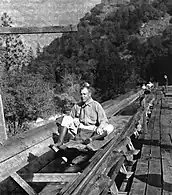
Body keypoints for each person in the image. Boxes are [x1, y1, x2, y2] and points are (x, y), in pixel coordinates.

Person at [50, 82, 114, 152]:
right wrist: (75, 119)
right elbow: (70, 117)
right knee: (66, 118)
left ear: (89, 94)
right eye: (81, 94)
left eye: (84, 94)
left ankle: (91, 139)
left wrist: (100, 127)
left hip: (92, 129)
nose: (82, 96)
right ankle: (60, 142)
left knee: (110, 127)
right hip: (80, 128)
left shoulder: (96, 105)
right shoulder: (77, 106)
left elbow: (103, 120)